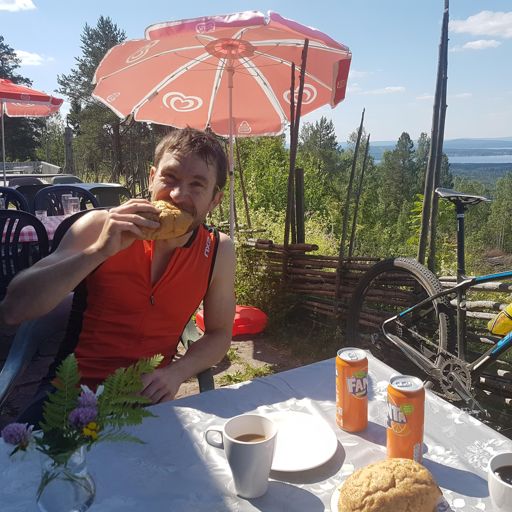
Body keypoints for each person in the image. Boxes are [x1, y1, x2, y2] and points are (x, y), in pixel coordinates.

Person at [0, 127, 236, 408]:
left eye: (197, 185)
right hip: (69, 399)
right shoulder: (100, 226)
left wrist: (177, 372)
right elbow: (14, 309)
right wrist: (98, 251)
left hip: (144, 402)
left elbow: (220, 334)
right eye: (169, 177)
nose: (177, 195)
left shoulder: (218, 250)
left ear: (215, 200)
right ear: (152, 177)